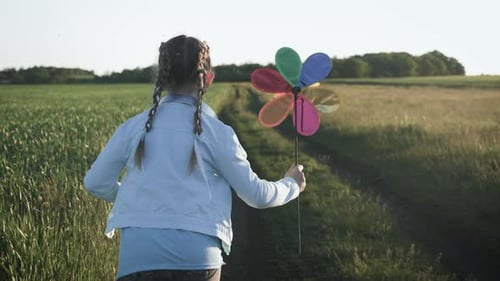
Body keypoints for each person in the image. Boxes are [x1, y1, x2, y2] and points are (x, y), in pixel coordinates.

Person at [84, 34, 306, 281]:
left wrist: (134, 195)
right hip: (198, 260)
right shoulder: (218, 133)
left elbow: (95, 182)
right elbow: (256, 196)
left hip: (137, 259)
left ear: (162, 77)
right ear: (208, 78)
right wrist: (292, 184)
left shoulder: (132, 128)